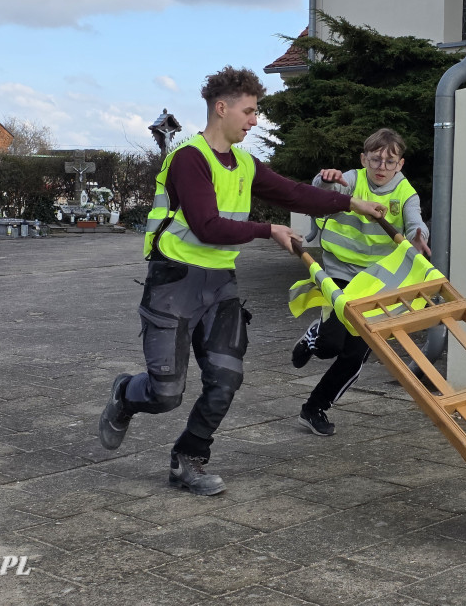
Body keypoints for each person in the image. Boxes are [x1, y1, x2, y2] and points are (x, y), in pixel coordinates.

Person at [98, 66, 386, 496]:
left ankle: (189, 459)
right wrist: (267, 230)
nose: (255, 121)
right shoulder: (189, 159)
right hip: (173, 284)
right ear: (222, 108)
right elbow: (207, 226)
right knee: (165, 393)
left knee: (226, 379)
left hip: (219, 288)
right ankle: (125, 395)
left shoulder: (246, 164)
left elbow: (294, 193)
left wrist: (354, 203)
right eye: (249, 112)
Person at [292, 128, 430, 436]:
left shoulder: (406, 193)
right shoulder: (351, 179)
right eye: (375, 160)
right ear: (363, 159)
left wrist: (419, 237)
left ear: (400, 165)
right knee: (330, 346)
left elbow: (415, 221)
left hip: (377, 282)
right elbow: (322, 193)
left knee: (354, 354)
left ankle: (314, 408)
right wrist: (325, 180)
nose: (381, 167)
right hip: (338, 272)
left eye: (389, 162)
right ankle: (316, 335)